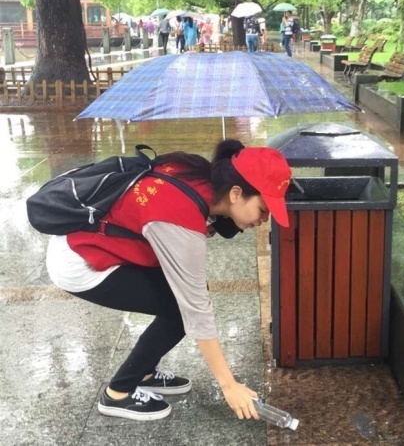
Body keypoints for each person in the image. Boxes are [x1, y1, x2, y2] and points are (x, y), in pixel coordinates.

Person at [45, 140, 293, 421]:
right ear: (236, 193)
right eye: (263, 209)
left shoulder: (200, 174)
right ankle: (118, 393)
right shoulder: (180, 219)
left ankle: (144, 371)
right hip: (81, 260)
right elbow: (195, 307)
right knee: (180, 308)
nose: (264, 219)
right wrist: (229, 385)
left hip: (91, 239)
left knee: (179, 303)